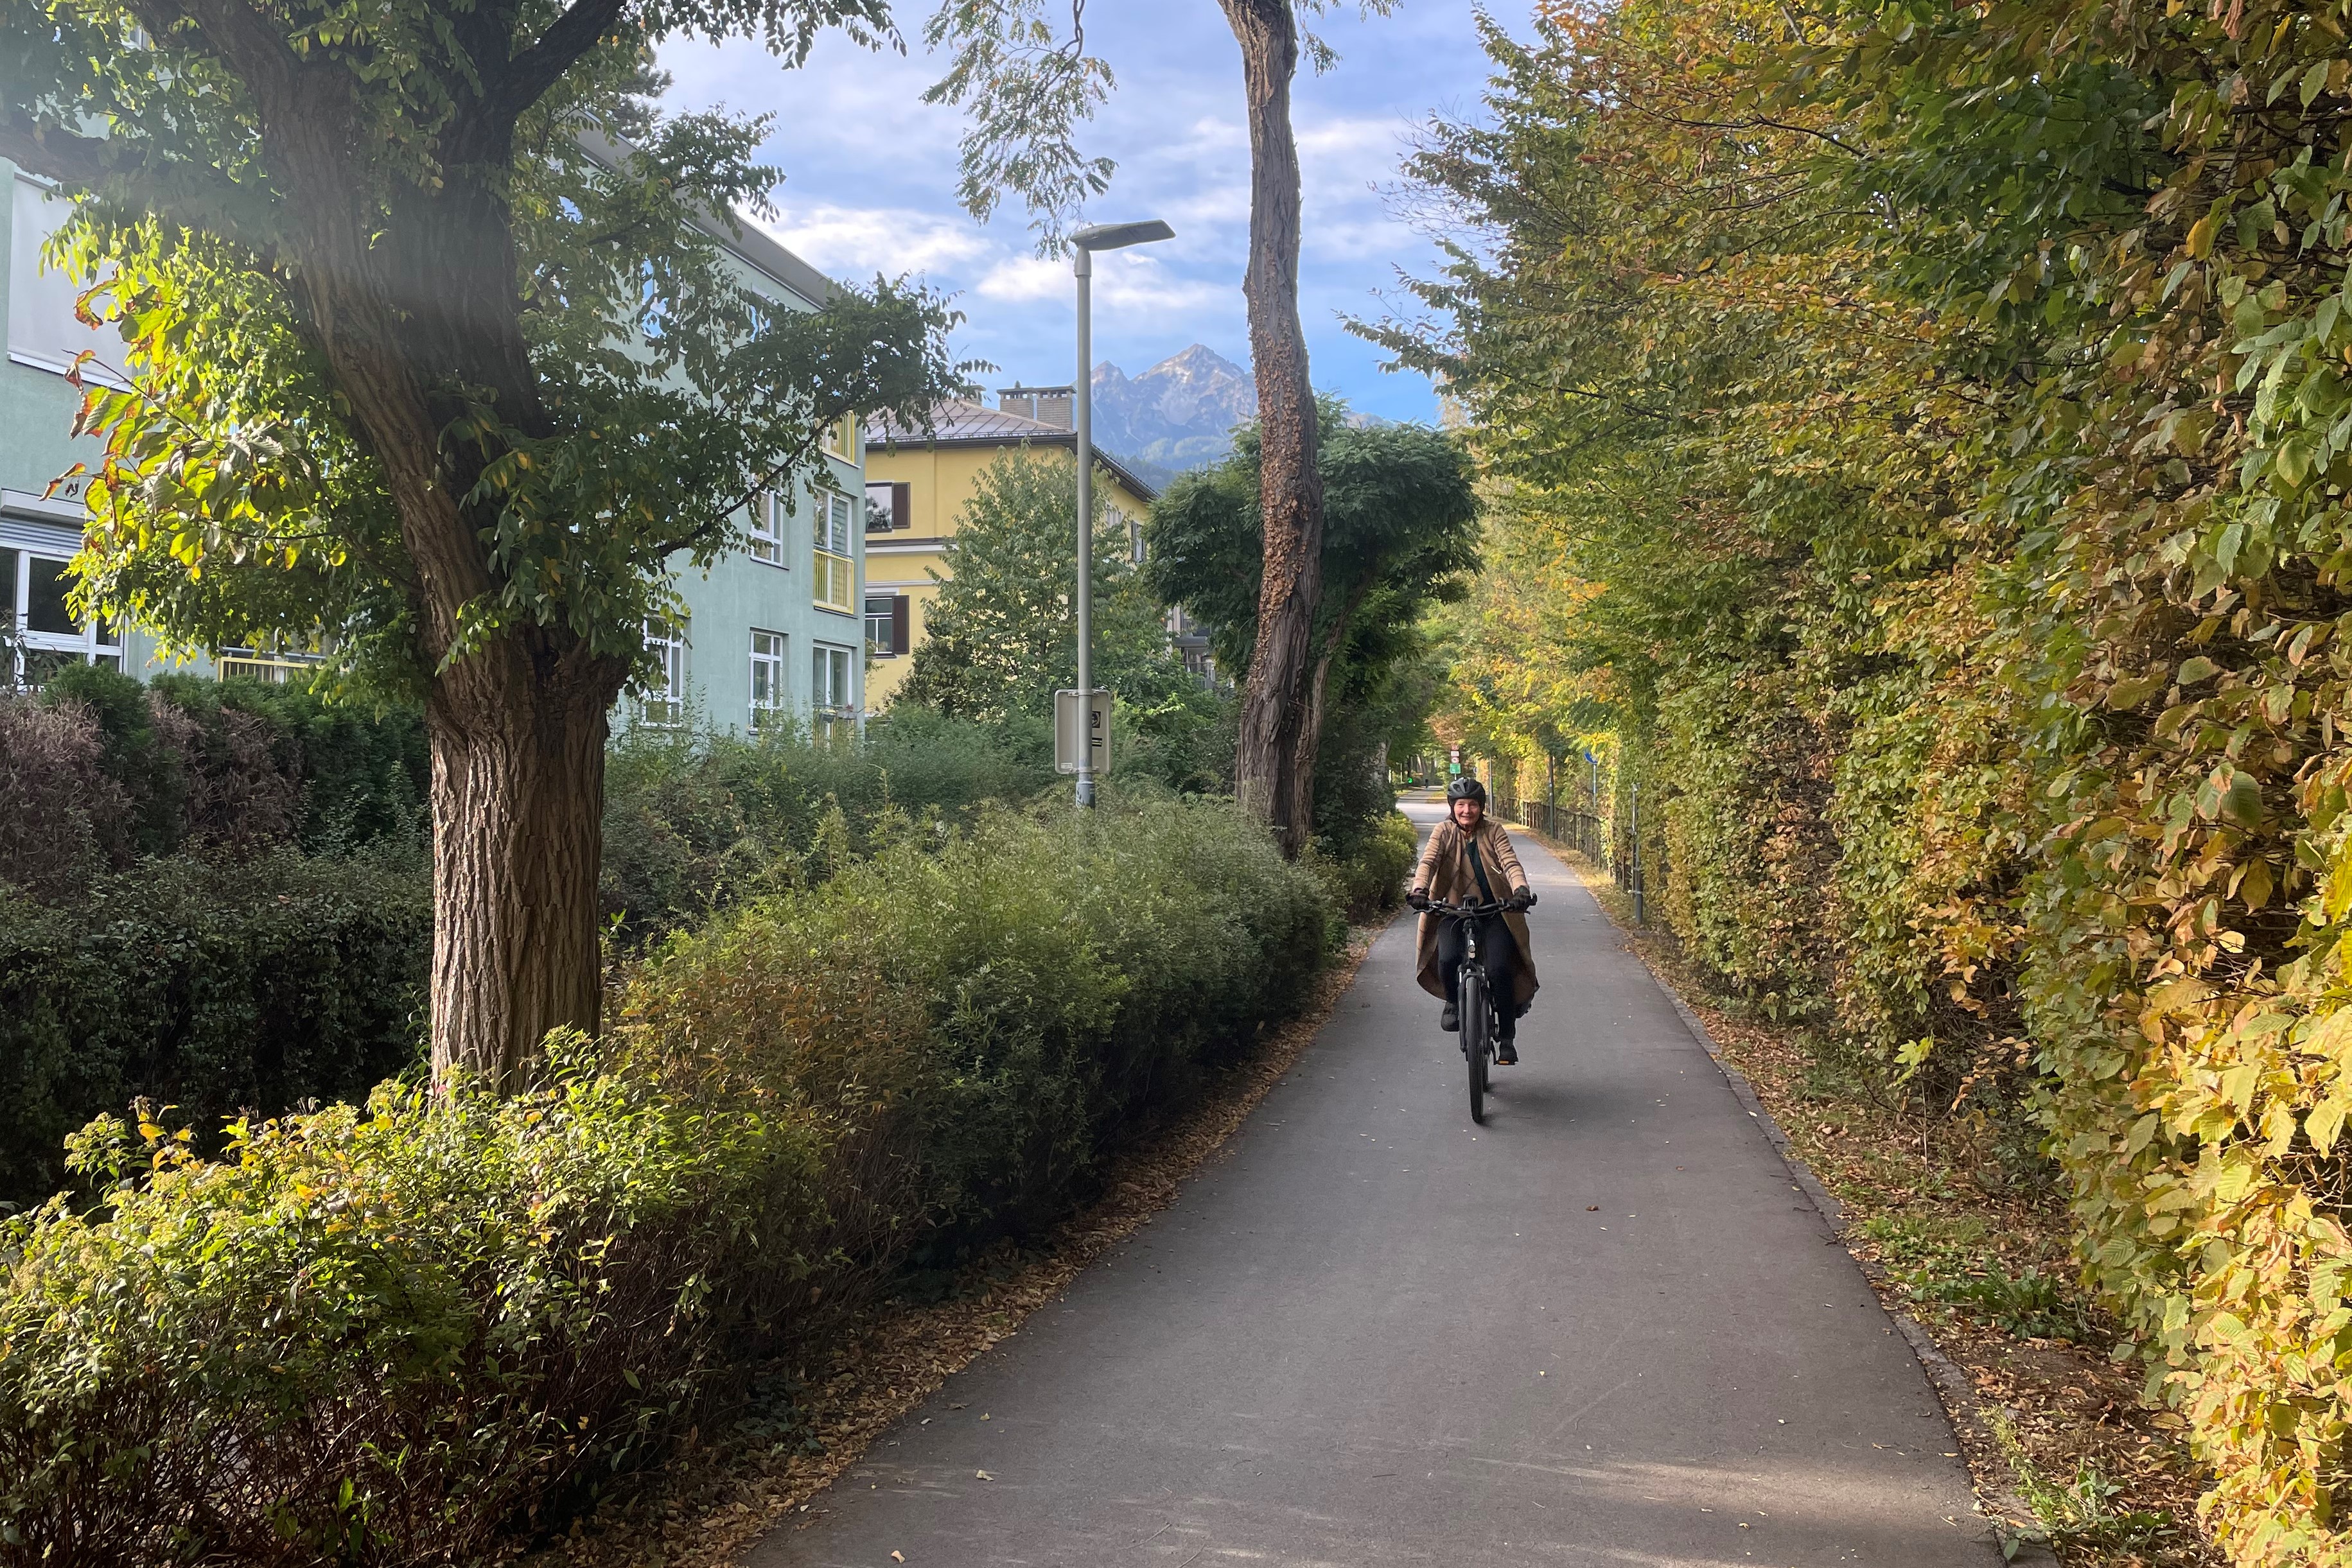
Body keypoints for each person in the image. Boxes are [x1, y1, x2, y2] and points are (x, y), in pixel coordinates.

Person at [1407, 778, 1539, 1064]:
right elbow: (1428, 862)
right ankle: (1454, 1003)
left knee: (1500, 969)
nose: (1467, 810)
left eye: (1473, 805)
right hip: (1451, 910)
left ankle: (1506, 1038)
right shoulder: (1443, 832)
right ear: (1453, 807)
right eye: (1461, 805)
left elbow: (1510, 862)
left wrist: (1521, 890)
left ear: (1482, 808)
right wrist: (1419, 890)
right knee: (1447, 958)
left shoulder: (1494, 831)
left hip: (1494, 910)